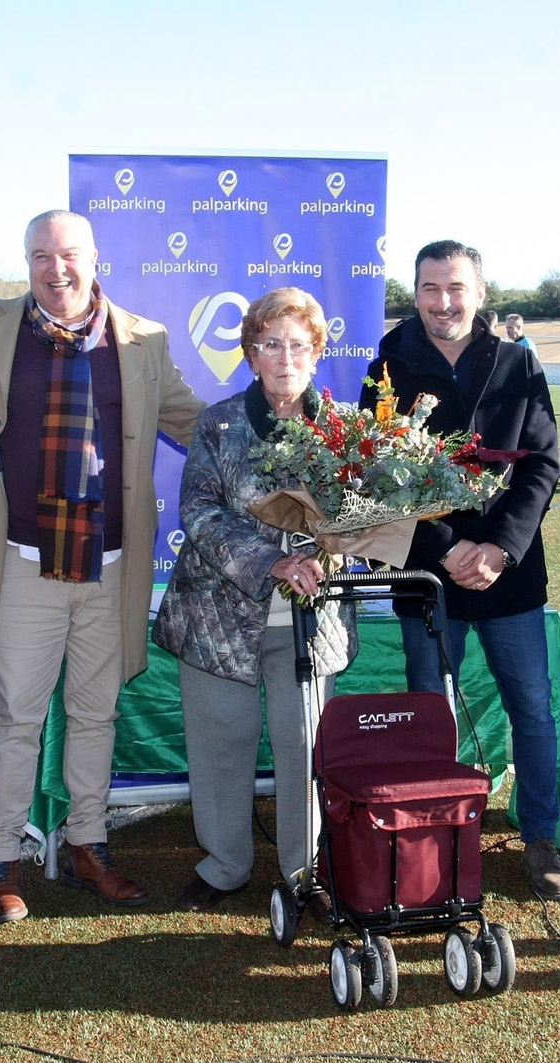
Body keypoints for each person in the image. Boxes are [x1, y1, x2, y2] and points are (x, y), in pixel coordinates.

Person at [0, 209, 204, 921]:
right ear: (26, 261)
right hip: (24, 565)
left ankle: (87, 845)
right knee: (16, 718)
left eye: (68, 254)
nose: (55, 268)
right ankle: (0, 856)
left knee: (95, 713)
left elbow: (196, 422)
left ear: (96, 259)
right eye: (40, 254)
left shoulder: (143, 340)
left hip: (110, 566)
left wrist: (279, 432)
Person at [363, 240, 560, 903]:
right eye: (430, 288)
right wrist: (449, 544)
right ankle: (434, 835)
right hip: (428, 573)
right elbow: (380, 476)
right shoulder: (388, 367)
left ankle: (540, 836)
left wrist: (498, 547)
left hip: (507, 574)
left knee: (531, 710)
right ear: (415, 293)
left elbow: (540, 464)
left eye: (456, 287)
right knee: (432, 713)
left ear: (481, 293)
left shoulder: (518, 363)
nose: (443, 301)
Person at [154, 287, 357, 912]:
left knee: (304, 750)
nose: (285, 357)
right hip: (217, 617)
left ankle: (306, 874)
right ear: (251, 352)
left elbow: (363, 516)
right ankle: (223, 866)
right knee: (220, 746)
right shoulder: (218, 423)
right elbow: (201, 511)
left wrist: (341, 545)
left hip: (310, 620)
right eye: (270, 344)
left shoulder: (349, 430)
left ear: (318, 351)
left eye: (298, 344)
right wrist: (273, 561)